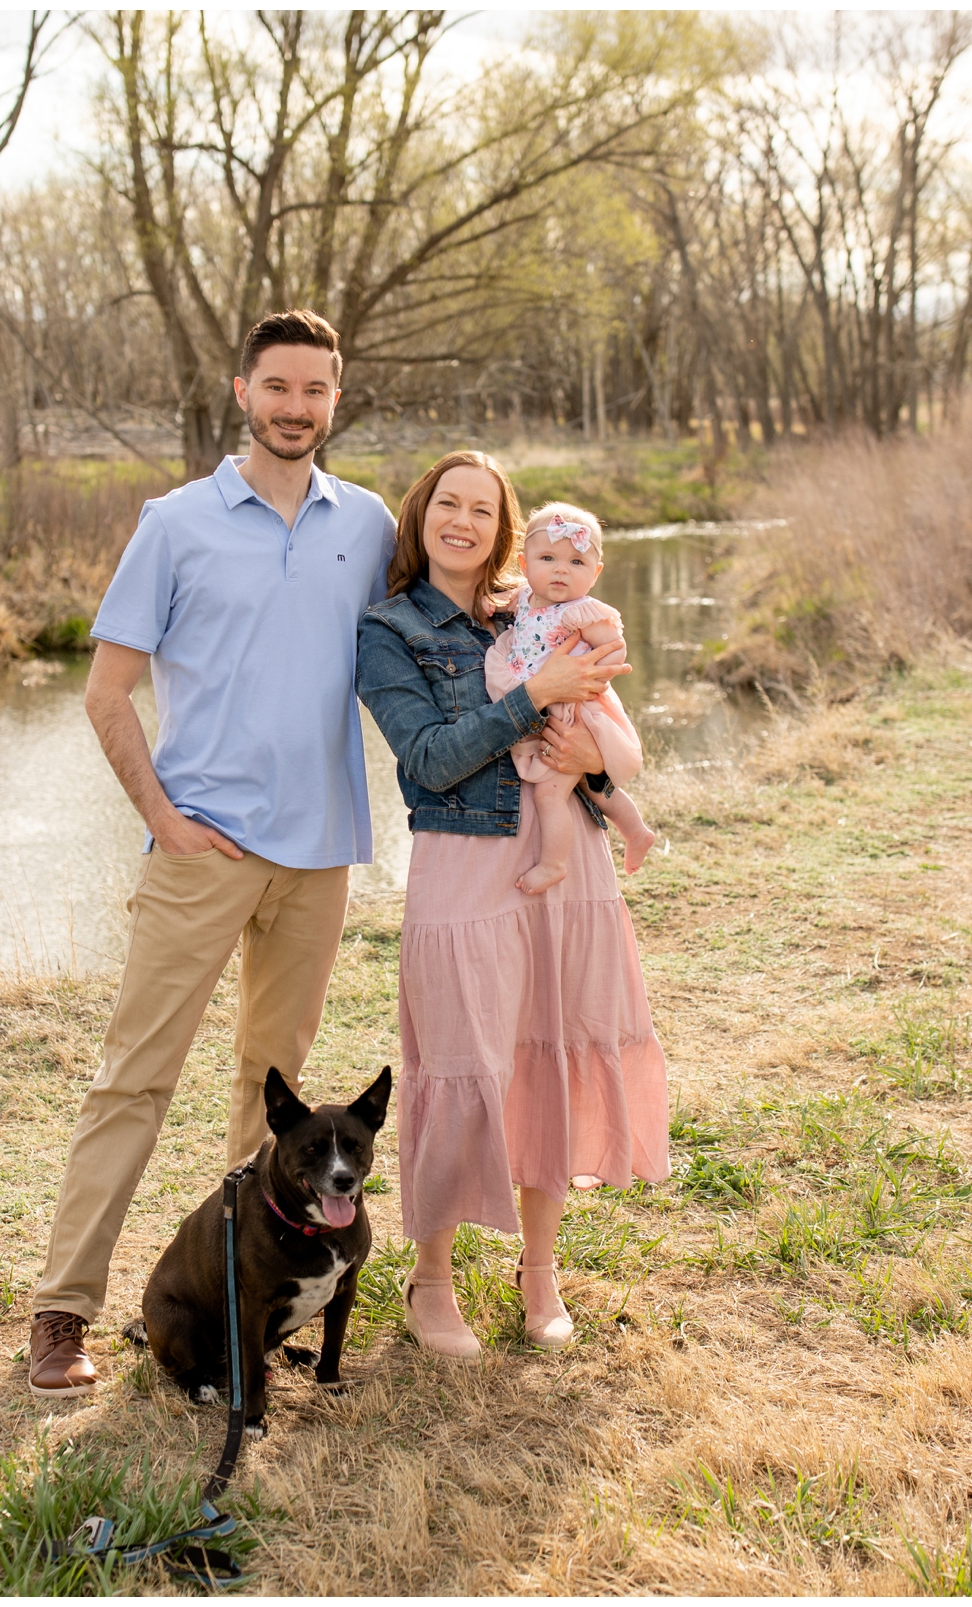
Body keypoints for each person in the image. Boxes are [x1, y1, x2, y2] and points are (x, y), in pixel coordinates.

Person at [24, 309, 398, 1398]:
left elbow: (436, 631)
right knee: (134, 1079)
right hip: (202, 852)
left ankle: (250, 1305)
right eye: (277, 387)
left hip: (320, 856)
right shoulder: (177, 522)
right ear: (243, 390)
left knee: (270, 1102)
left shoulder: (366, 523)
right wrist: (167, 816)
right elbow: (107, 692)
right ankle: (62, 1311)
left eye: (316, 391)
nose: (296, 408)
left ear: (336, 397)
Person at [355, 452, 671, 1357]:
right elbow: (428, 757)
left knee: (552, 1051)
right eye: (447, 504)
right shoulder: (389, 628)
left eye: (483, 510)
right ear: (420, 517)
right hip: (464, 856)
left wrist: (591, 758)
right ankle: (432, 1279)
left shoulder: (537, 604)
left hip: (566, 862)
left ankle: (541, 1274)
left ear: (506, 528)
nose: (464, 521)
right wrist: (536, 698)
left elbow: (614, 736)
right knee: (461, 1060)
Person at [483, 501, 661, 895]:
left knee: (550, 793)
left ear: (595, 574)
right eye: (548, 558)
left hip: (571, 710)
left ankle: (553, 864)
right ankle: (635, 830)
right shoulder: (526, 597)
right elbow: (499, 606)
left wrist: (595, 672)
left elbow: (614, 651)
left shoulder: (581, 612)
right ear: (524, 563)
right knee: (585, 781)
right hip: (540, 699)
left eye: (577, 562)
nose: (561, 570)